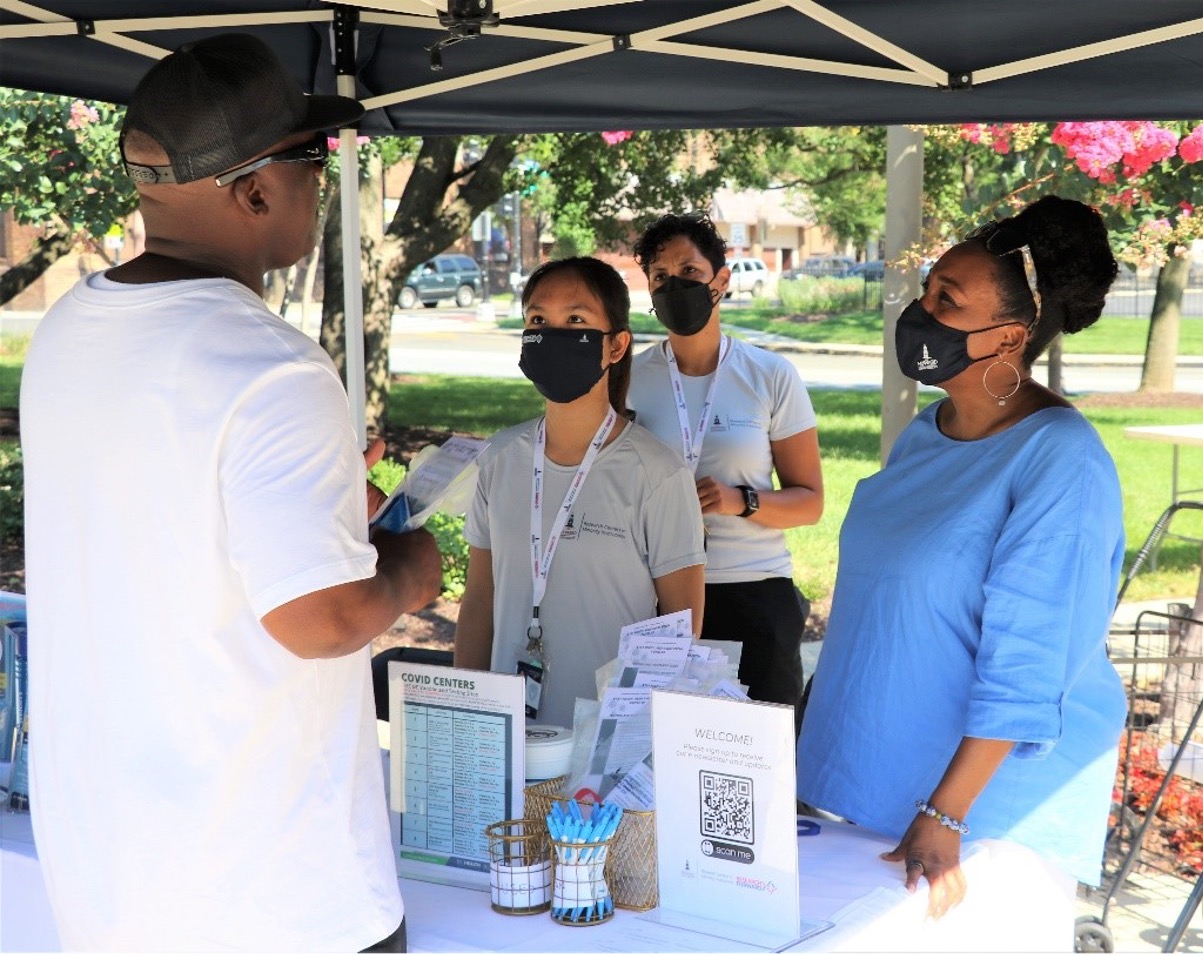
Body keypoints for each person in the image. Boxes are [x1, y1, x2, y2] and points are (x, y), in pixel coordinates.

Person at [20, 34, 443, 952]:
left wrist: (324, 515)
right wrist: (410, 571)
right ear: (253, 190)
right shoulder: (272, 368)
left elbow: (168, 527)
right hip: (272, 897)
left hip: (112, 883)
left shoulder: (66, 332)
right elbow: (323, 620)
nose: (323, 178)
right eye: (311, 158)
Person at [795, 196, 1127, 949]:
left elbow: (1030, 661)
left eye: (948, 299)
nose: (922, 309)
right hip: (869, 793)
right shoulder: (926, 434)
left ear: (1008, 336)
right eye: (928, 290)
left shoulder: (1061, 463)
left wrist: (946, 816)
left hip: (978, 824)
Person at [454, 257, 705, 726]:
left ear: (616, 346)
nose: (553, 332)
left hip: (604, 746)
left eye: (576, 320)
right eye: (537, 319)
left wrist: (625, 743)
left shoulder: (659, 475)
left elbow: (680, 628)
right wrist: (466, 713)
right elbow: (478, 601)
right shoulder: (499, 460)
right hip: (505, 735)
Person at [627, 214, 823, 706]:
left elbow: (810, 502)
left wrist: (741, 501)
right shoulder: (626, 378)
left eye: (689, 271)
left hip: (754, 592)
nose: (675, 284)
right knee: (654, 759)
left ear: (721, 281)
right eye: (660, 276)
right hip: (654, 594)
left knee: (761, 760)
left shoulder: (770, 375)